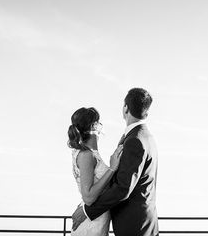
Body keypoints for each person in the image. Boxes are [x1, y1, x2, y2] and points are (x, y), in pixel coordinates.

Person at [72, 88, 159, 236]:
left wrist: (87, 211)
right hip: (141, 222)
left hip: (134, 225)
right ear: (147, 112)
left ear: (125, 108)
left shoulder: (135, 140)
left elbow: (123, 188)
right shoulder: (146, 137)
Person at [68, 107, 123, 236]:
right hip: (90, 225)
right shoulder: (86, 154)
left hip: (98, 220)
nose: (101, 126)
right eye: (99, 122)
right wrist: (112, 169)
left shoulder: (91, 153)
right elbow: (88, 197)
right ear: (93, 126)